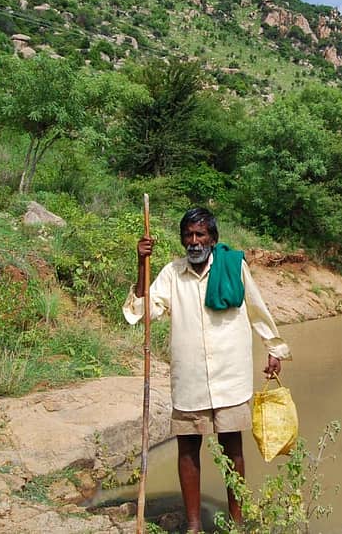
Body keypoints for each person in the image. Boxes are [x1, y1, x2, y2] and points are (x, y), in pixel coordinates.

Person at [124, 207, 291, 532]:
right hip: (190, 381)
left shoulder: (232, 266)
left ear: (213, 239)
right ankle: (194, 525)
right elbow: (144, 311)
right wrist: (140, 264)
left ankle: (237, 521)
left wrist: (274, 348)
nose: (194, 242)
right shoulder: (172, 273)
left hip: (231, 377)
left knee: (233, 448)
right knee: (187, 449)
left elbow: (257, 307)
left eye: (201, 235)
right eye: (188, 235)